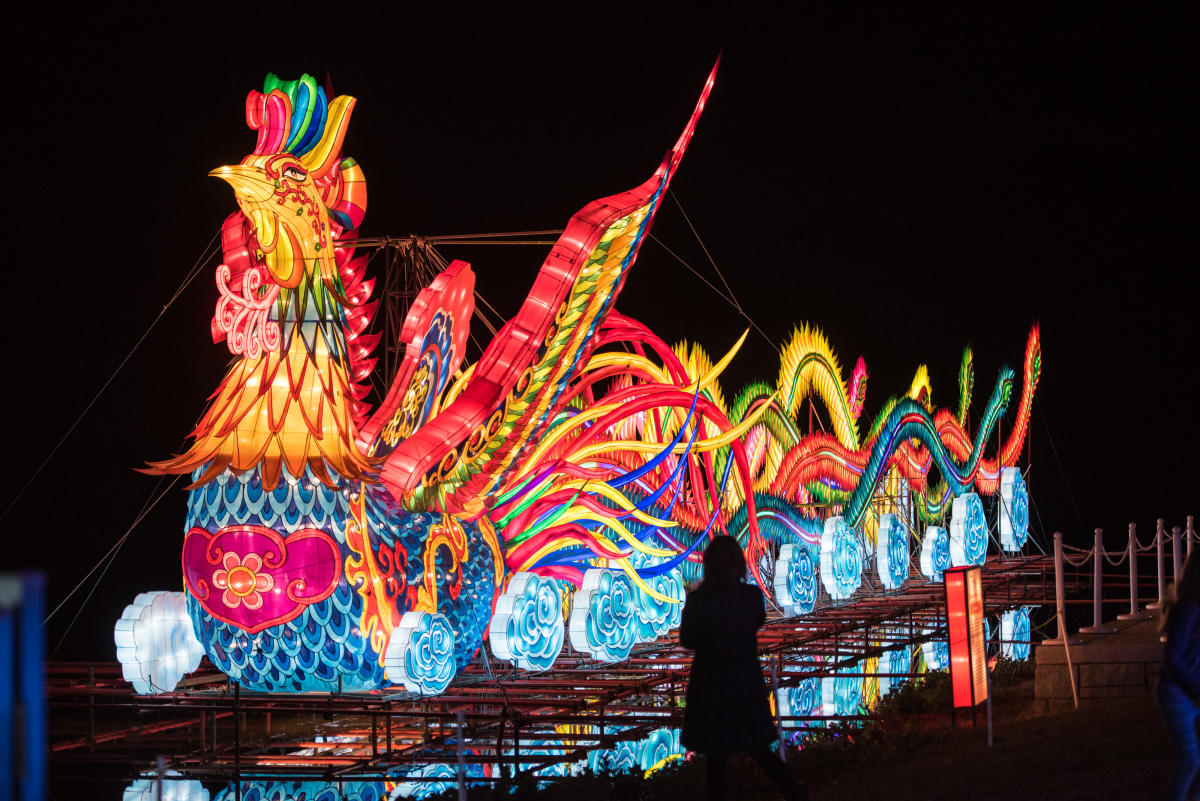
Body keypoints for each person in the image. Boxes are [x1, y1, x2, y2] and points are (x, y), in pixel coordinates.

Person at [680, 535, 807, 801]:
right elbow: (756, 621)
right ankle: (794, 794)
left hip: (711, 684)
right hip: (743, 681)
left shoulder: (699, 601)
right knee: (760, 749)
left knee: (716, 758)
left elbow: (688, 639)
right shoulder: (750, 597)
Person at [1159, 550, 1200, 801]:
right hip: (1177, 694)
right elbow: (1173, 656)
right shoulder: (1188, 610)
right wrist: (1194, 687)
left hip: (1191, 690)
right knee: (1190, 760)